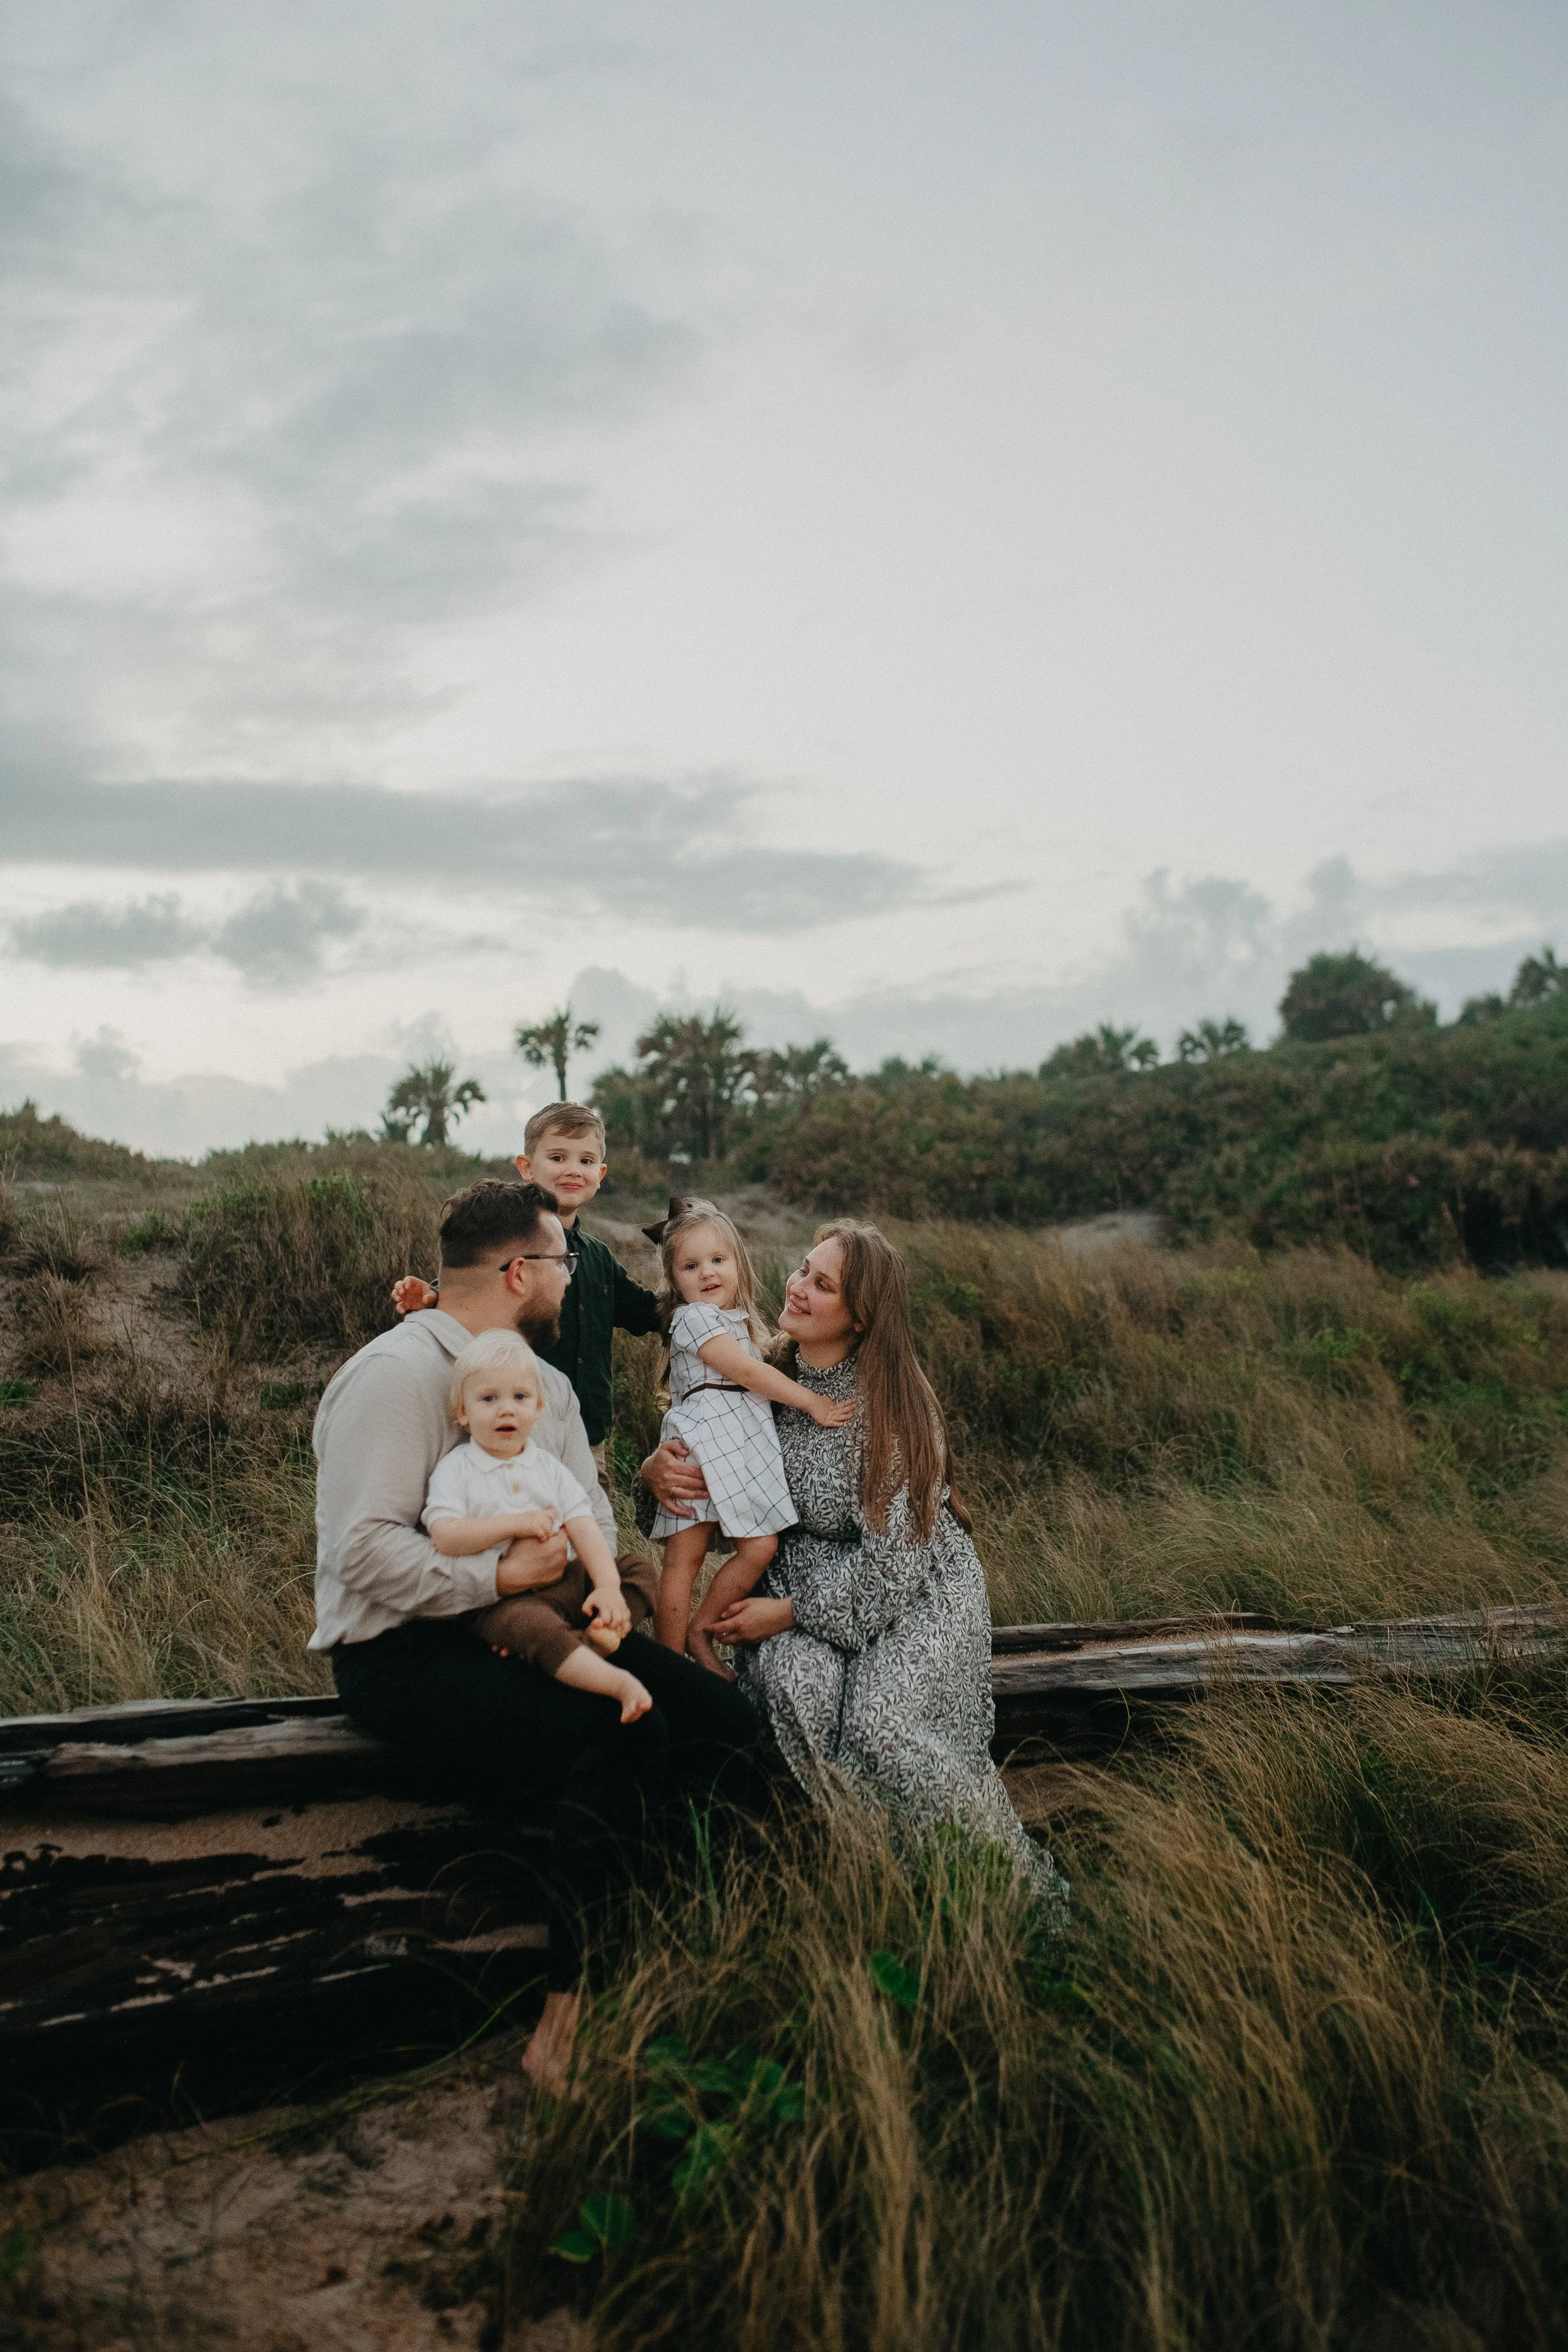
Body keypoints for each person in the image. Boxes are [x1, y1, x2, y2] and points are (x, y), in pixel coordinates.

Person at [314, 1179, 758, 2096]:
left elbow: (588, 1515)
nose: (574, 1286)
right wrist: (493, 1578)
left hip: (554, 1623)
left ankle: (716, 1961)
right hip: (403, 1650)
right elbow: (361, 1552)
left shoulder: (547, 1385)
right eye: (563, 1267)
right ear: (520, 1271)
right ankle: (569, 2023)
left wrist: (614, 1601)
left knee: (729, 1728)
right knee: (620, 1730)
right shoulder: (396, 1374)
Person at [642, 1219, 1067, 1918]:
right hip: (800, 1577)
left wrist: (786, 1613)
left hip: (914, 1589)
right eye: (802, 1270)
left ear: (861, 1314)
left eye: (822, 1283)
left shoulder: (895, 1409)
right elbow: (705, 1470)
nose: (797, 1287)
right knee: (794, 1688)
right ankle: (872, 1881)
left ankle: (1010, 1895)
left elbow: (893, 1569)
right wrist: (655, 1474)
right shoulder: (765, 1375)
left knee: (880, 1723)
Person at [392, 1104, 660, 1490]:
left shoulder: (599, 1256)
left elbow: (643, 1311)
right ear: (526, 1166)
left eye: (586, 1160)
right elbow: (476, 1288)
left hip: (588, 1433)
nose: (573, 1169)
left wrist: (698, 1294)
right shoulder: (511, 1238)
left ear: (600, 1175)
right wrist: (433, 1296)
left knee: (589, 1524)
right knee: (523, 1518)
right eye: (557, 1157)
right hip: (516, 1422)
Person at [641, 1196, 856, 1671]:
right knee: (684, 1564)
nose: (707, 1273)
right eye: (691, 1266)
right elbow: (748, 1374)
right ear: (674, 1281)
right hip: (702, 1445)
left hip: (738, 1450)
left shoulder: (741, 1327)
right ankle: (670, 1669)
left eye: (718, 1260)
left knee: (760, 1547)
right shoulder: (693, 1318)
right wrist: (813, 1403)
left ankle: (703, 1633)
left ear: (739, 1262)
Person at [425, 1327, 659, 1711]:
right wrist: (514, 1525)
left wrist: (607, 1586)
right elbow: (446, 1536)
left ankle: (592, 1640)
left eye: (520, 1397)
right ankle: (616, 1683)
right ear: (463, 1412)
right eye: (488, 1398)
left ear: (538, 1408)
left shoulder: (546, 1467)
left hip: (566, 1583)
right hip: (505, 1600)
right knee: (531, 1627)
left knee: (637, 1569)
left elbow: (583, 1524)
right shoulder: (458, 1470)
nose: (507, 1409)